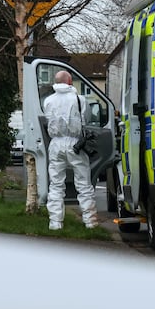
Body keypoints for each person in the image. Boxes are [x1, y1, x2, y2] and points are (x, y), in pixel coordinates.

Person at [43, 70, 98, 230]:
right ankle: (90, 221)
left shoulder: (48, 100)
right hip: (75, 143)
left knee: (56, 184)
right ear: (69, 82)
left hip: (55, 143)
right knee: (83, 184)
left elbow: (48, 119)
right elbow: (86, 120)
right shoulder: (79, 99)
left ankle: (55, 223)